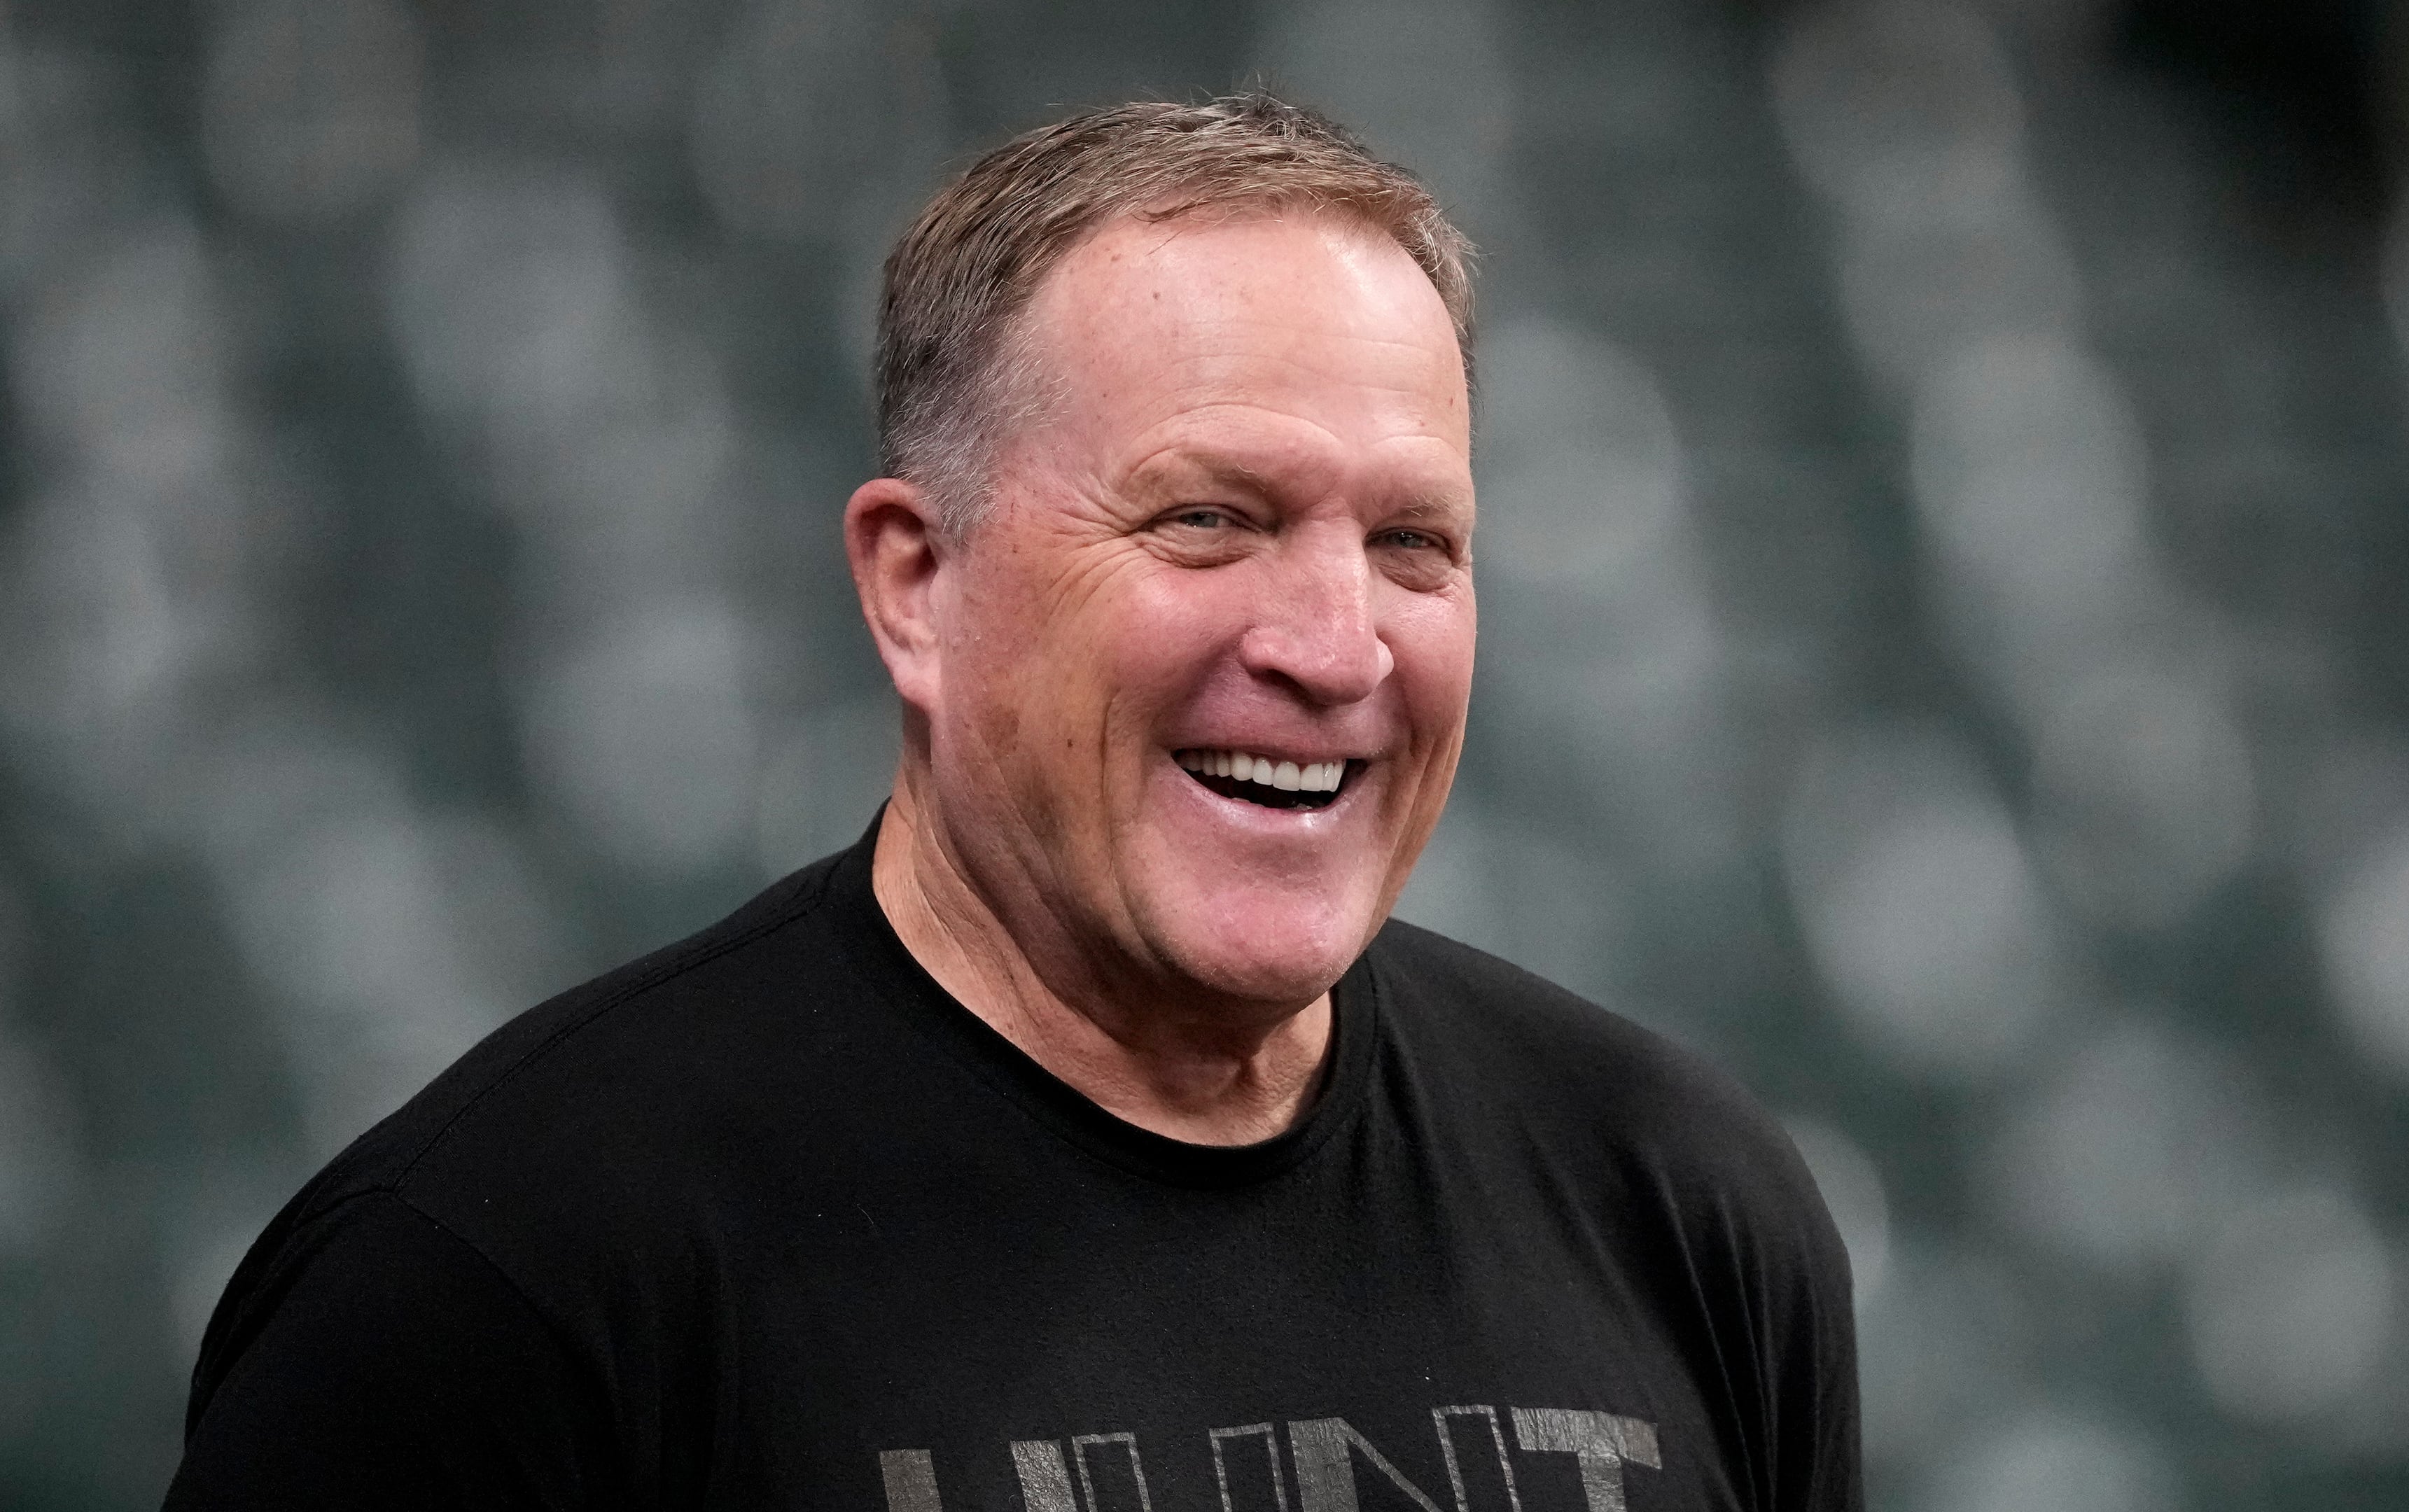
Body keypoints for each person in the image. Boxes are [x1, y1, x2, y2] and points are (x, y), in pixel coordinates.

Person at [165, 94, 1862, 1512]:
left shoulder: (1681, 1201)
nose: (1338, 648)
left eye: (1414, 543)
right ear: (917, 582)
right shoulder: (500, 1281)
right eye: (1209, 519)